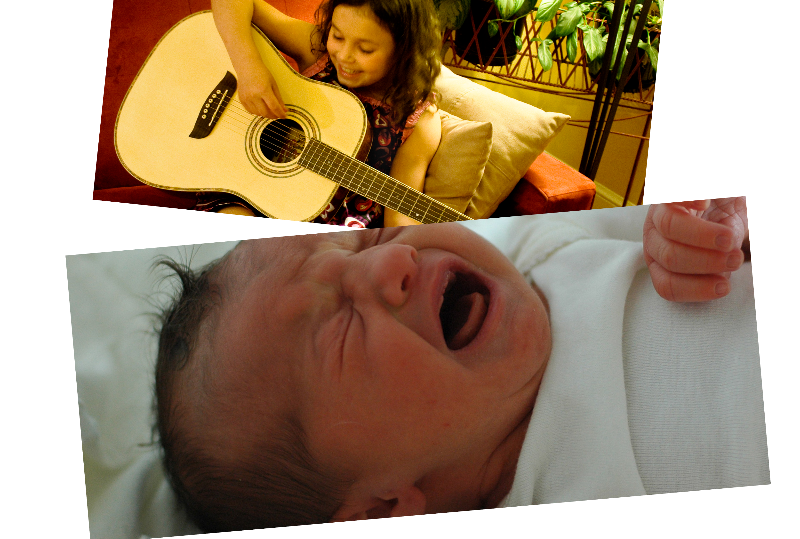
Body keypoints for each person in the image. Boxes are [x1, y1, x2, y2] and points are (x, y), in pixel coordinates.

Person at [153, 197, 767, 533]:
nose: (387, 264)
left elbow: (693, 208)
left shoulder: (538, 251)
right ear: (381, 510)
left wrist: (714, 219)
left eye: (363, 240)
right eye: (337, 329)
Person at [205, 0, 443, 227]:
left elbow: (401, 214)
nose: (344, 56)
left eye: (365, 49)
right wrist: (249, 69)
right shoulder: (319, 51)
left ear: (405, 50)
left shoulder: (417, 118)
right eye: (338, 36)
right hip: (252, 192)